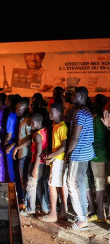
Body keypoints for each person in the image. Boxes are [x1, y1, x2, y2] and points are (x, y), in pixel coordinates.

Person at [65, 86, 95, 231]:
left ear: (82, 96)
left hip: (78, 153)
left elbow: (75, 137)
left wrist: (66, 153)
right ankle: (82, 215)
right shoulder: (86, 111)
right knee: (79, 184)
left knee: (73, 184)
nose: (72, 97)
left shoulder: (80, 113)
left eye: (74, 95)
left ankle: (82, 220)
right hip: (85, 153)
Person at [40, 103, 68, 223]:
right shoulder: (56, 125)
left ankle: (53, 214)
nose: (50, 114)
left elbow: (63, 147)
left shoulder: (62, 127)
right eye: (50, 112)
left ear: (60, 113)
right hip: (57, 159)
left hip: (59, 160)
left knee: (52, 186)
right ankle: (62, 213)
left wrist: (50, 156)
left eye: (52, 112)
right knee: (59, 187)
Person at [20, 113, 50, 216]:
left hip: (37, 162)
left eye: (32, 123)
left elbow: (38, 152)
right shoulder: (43, 130)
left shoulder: (37, 135)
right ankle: (45, 208)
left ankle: (30, 208)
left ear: (38, 122)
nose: (31, 125)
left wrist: (34, 168)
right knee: (40, 186)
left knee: (31, 186)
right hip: (42, 163)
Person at [87, 94, 108, 222]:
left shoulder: (98, 119)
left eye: (94, 101)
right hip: (102, 154)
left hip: (98, 155)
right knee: (100, 184)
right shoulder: (102, 117)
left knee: (99, 185)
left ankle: (100, 215)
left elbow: (98, 140)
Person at [12, 98, 32, 209]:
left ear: (25, 108)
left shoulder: (28, 121)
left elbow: (29, 139)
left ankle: (26, 203)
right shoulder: (22, 119)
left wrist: (17, 147)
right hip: (22, 153)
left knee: (24, 179)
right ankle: (24, 201)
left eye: (18, 108)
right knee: (22, 179)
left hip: (25, 154)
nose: (16, 110)